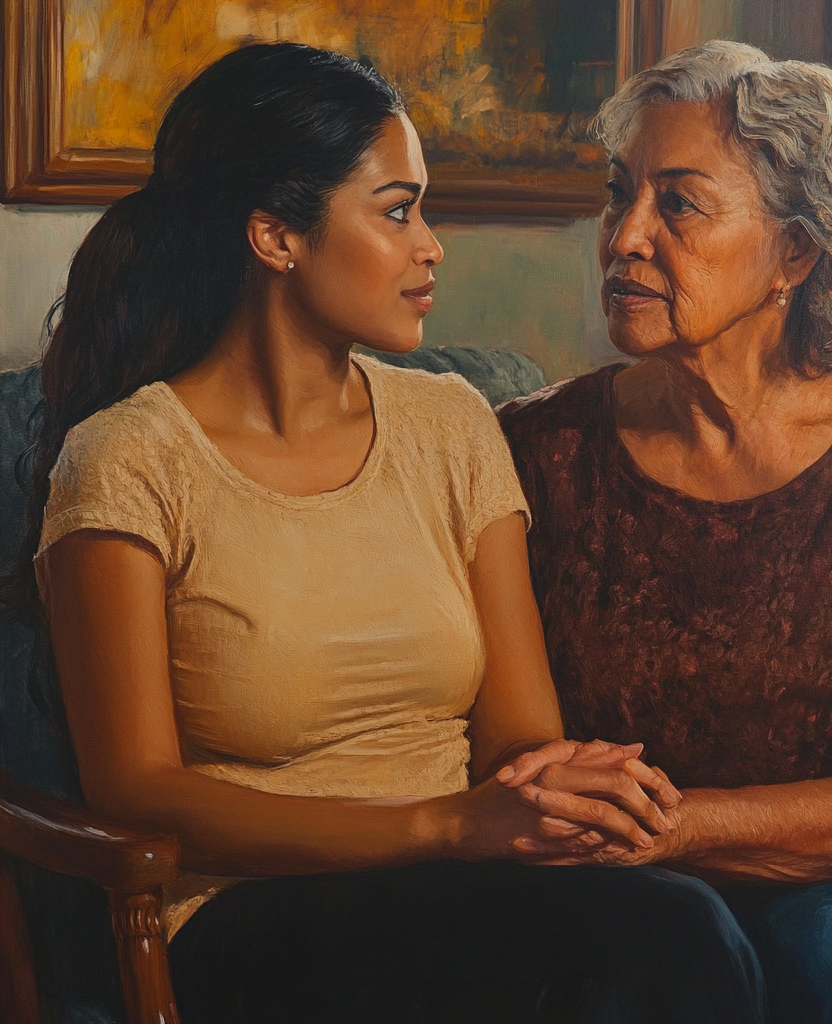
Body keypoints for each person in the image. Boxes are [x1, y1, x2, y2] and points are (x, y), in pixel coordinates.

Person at [1, 42, 771, 1024]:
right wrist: (443, 826)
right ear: (276, 236)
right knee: (656, 945)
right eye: (397, 209)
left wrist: (561, 786)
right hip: (250, 918)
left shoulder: (452, 425)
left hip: (464, 885)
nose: (431, 245)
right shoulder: (128, 458)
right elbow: (140, 790)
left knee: (682, 926)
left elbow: (520, 734)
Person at [497, 40, 832, 1024]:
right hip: (615, 891)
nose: (622, 238)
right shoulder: (541, 445)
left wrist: (668, 830)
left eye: (678, 204)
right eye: (621, 195)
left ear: (795, 252)